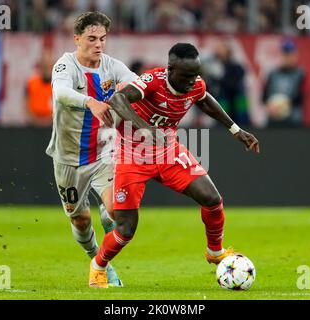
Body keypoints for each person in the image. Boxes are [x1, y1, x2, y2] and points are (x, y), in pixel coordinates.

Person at [89, 43, 260, 288]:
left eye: (196, 74)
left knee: (212, 199)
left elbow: (204, 99)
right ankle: (98, 266)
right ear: (171, 69)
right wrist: (145, 128)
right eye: (187, 75)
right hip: (132, 155)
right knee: (126, 229)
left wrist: (235, 129)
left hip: (168, 152)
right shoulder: (152, 81)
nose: (193, 81)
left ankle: (214, 252)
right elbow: (118, 100)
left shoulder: (195, 83)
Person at [46, 11, 140, 287]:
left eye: (102, 38)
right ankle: (93, 254)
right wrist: (90, 102)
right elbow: (61, 93)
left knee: (117, 211)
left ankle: (103, 267)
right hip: (68, 158)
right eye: (91, 38)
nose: (99, 44)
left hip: (103, 154)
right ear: (77, 39)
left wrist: (135, 90)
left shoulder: (111, 66)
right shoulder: (65, 66)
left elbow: (135, 82)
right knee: (81, 220)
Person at [262, 39, 306, 127]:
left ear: (295, 55)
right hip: (273, 117)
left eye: (290, 54)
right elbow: (264, 96)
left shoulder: (300, 74)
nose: (287, 57)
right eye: (285, 54)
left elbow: (301, 96)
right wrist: (269, 107)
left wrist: (282, 106)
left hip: (293, 118)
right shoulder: (273, 73)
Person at [25, 49, 54, 127]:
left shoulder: (58, 85)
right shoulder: (31, 82)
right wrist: (36, 121)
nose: (47, 69)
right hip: (33, 126)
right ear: (40, 66)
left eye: (49, 65)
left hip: (52, 126)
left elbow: (62, 109)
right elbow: (25, 105)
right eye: (44, 66)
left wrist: (48, 121)